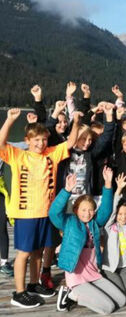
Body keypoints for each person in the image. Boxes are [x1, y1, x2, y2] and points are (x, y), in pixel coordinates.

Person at [0, 108, 81, 308]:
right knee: (24, 253)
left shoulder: (51, 154)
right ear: (27, 140)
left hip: (46, 213)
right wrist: (9, 121)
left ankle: (34, 284)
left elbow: (70, 142)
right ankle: (19, 293)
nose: (41, 143)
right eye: (36, 140)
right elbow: (1, 143)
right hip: (26, 214)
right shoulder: (17, 155)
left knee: (38, 252)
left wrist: (77, 121)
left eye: (44, 140)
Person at [51, 168, 126, 314]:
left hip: (93, 274)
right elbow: (54, 213)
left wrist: (108, 184)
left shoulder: (95, 224)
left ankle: (88, 293)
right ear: (76, 210)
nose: (87, 214)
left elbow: (105, 210)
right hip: (77, 277)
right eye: (83, 210)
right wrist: (67, 190)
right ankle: (71, 294)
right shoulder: (69, 222)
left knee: (121, 300)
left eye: (91, 210)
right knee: (107, 307)